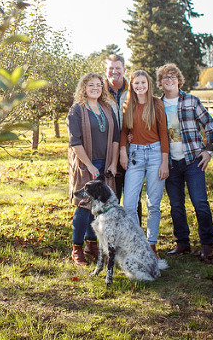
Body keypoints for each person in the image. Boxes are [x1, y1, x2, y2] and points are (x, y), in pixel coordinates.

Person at [156, 62, 213, 262]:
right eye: (165, 77)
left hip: (193, 160)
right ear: (160, 83)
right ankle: (182, 243)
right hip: (170, 162)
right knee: (176, 205)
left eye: (172, 76)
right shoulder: (157, 105)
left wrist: (209, 150)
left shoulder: (191, 101)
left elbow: (209, 124)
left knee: (200, 202)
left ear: (178, 80)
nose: (169, 80)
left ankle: (207, 245)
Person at [67, 72, 120, 266]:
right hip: (85, 164)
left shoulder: (107, 108)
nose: (95, 88)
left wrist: (113, 163)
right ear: (84, 87)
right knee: (84, 206)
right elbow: (75, 142)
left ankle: (91, 244)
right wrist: (89, 165)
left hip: (105, 164)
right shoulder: (76, 110)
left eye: (98, 85)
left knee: (98, 208)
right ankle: (77, 248)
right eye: (91, 85)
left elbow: (116, 138)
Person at [118, 70, 169, 256]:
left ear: (148, 84)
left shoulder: (156, 104)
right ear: (132, 85)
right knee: (129, 205)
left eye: (143, 83)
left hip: (156, 154)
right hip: (135, 155)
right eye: (136, 83)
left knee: (153, 204)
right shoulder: (128, 105)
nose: (140, 86)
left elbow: (163, 133)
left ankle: (152, 245)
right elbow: (124, 132)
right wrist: (123, 152)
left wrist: (165, 162)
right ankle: (138, 243)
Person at [104, 54, 143, 225]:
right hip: (108, 152)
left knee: (133, 198)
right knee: (110, 198)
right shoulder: (99, 91)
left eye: (118, 68)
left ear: (124, 70)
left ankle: (135, 235)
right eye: (111, 68)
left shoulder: (134, 89)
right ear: (105, 71)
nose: (114, 71)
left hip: (132, 151)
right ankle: (113, 237)